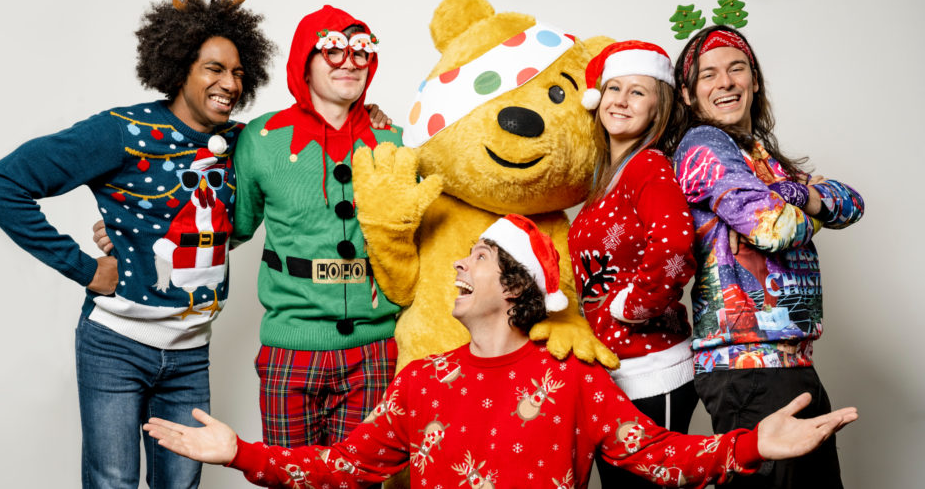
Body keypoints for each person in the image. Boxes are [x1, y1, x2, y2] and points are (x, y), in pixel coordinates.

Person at [144, 214, 858, 488]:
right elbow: (343, 467)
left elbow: (660, 457)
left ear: (515, 285)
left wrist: (753, 445)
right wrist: (240, 453)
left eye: (479, 257)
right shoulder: (421, 381)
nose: (459, 264)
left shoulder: (573, 379)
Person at [0, 0, 274, 488]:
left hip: (190, 354)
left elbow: (303, 145)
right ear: (179, 67)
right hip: (115, 347)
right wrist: (86, 268)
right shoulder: (122, 131)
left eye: (238, 73)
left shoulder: (243, 144)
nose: (229, 83)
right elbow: (0, 186)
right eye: (214, 68)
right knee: (112, 482)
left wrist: (370, 117)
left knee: (180, 485)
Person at [667, 24, 865, 488]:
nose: (726, 82)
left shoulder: (759, 154)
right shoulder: (703, 145)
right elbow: (771, 228)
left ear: (754, 81)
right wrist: (809, 202)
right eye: (708, 74)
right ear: (689, 95)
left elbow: (853, 203)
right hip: (748, 366)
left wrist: (797, 195)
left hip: (791, 360)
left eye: (737, 68)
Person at [230, 5, 401, 448]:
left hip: (375, 349)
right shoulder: (260, 139)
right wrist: (136, 230)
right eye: (332, 50)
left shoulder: (395, 141)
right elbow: (231, 226)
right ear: (303, 63)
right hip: (289, 347)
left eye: (360, 51)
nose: (349, 62)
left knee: (360, 477)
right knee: (287, 475)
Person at [570, 40, 698, 488]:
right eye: (614, 88)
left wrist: (634, 306)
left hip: (652, 370)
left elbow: (676, 243)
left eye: (638, 92)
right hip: (615, 372)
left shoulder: (648, 165)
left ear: (658, 108)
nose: (621, 100)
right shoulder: (606, 177)